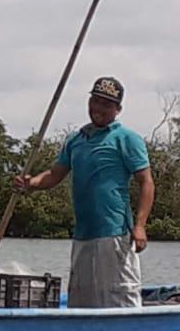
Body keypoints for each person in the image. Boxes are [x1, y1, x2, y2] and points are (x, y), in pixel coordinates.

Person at [14, 76, 155, 308]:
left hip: (114, 232)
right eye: (96, 101)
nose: (98, 108)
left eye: (106, 104)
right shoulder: (76, 140)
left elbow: (146, 183)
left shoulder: (126, 139)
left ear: (118, 109)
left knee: (120, 294)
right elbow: (54, 174)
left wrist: (140, 226)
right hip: (83, 233)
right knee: (81, 298)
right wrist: (30, 184)